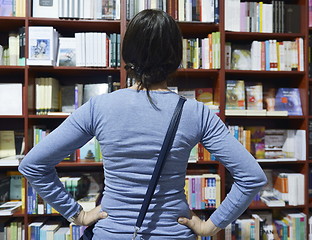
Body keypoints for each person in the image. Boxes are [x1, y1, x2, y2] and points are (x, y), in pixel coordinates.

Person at [19, 9, 267, 239]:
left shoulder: (99, 107)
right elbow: (252, 177)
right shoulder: (197, 113)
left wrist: (77, 215)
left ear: (127, 54)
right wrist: (210, 227)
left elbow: (33, 164)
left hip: (110, 233)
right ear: (176, 57)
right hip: (174, 233)